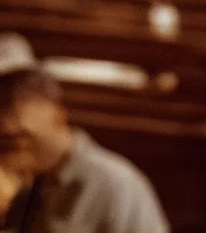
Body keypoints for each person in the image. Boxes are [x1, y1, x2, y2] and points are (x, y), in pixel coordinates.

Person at [0, 69, 168, 233]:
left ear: (58, 118)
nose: (10, 153)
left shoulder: (115, 183)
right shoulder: (32, 180)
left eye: (21, 137)